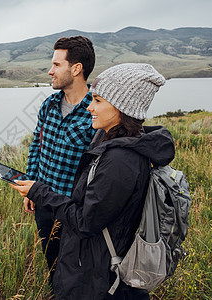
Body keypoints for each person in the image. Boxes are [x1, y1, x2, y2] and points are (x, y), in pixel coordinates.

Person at [13, 63, 174, 299]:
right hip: (89, 265)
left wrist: (40, 191)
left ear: (122, 107)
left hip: (98, 278)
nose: (89, 107)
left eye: (98, 100)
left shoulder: (121, 161)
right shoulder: (109, 139)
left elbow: (86, 222)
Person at [25, 36, 96, 279]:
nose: (50, 71)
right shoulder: (49, 105)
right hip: (43, 205)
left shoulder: (95, 112)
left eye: (57, 65)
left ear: (76, 69)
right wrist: (30, 186)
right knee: (52, 265)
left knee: (76, 272)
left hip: (73, 211)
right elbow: (37, 146)